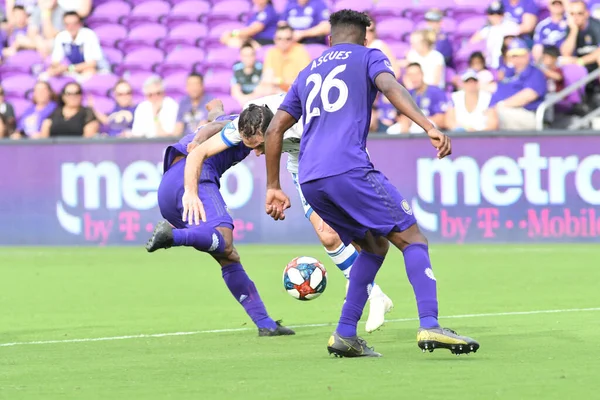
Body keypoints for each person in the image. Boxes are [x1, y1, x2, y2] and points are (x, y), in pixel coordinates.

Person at [263, 9, 479, 357]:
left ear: (330, 39)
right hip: (347, 168)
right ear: (365, 38)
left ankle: (345, 334)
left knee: (374, 247)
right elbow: (390, 85)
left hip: (311, 180)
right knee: (412, 238)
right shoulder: (369, 56)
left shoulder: (308, 70)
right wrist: (429, 126)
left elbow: (274, 129)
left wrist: (274, 185)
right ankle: (430, 324)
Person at [182, 94, 394, 334]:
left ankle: (361, 285)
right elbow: (198, 154)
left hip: (341, 155)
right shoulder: (246, 123)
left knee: (356, 233)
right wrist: (190, 192)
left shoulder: (305, 118)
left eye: (261, 147)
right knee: (329, 237)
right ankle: (374, 294)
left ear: (274, 131)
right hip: (302, 163)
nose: (258, 154)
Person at [144, 110, 295, 338]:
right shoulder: (241, 125)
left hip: (168, 187)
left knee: (228, 256)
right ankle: (173, 236)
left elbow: (216, 117)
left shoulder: (244, 118)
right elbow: (214, 127)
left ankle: (265, 323)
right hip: (194, 177)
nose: (256, 152)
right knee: (224, 241)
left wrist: (215, 108)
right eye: (254, 145)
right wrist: (197, 141)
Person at [488, 38, 547, 130]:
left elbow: (527, 96)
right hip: (503, 111)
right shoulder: (509, 73)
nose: (517, 59)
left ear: (527, 55)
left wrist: (500, 105)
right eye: (514, 56)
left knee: (494, 114)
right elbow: (494, 88)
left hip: (527, 113)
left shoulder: (535, 73)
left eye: (520, 55)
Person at [389, 63, 448, 134]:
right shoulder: (408, 93)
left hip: (431, 126)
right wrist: (405, 123)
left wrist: (421, 122)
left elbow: (442, 119)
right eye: (410, 75)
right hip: (413, 124)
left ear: (422, 74)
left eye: (417, 74)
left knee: (417, 129)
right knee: (392, 131)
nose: (414, 78)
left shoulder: (435, 91)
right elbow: (402, 116)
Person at [560, 0, 600, 100]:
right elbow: (565, 53)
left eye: (579, 13)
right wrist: (574, 31)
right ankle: (576, 104)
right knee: (568, 66)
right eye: (572, 14)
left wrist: (579, 61)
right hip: (581, 66)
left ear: (587, 13)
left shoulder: (596, 26)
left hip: (594, 64)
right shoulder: (570, 27)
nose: (576, 17)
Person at [44, 11, 103, 79]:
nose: (71, 27)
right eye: (67, 24)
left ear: (80, 24)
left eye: (74, 24)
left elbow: (91, 64)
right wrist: (55, 68)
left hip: (90, 70)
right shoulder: (61, 36)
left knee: (89, 72)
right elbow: (56, 60)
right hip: (70, 69)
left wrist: (68, 68)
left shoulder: (89, 35)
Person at [260, 26, 311, 93]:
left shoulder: (300, 51)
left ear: (293, 39)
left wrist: (280, 81)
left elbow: (303, 79)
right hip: (276, 90)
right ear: (274, 39)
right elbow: (267, 77)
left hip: (294, 90)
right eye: (279, 38)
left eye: (287, 39)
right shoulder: (272, 52)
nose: (283, 42)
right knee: (264, 88)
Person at [471, 1, 520, 69]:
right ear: (488, 15)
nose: (495, 16)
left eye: (498, 13)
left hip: (508, 64)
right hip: (491, 65)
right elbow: (473, 42)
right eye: (492, 13)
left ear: (503, 14)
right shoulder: (487, 29)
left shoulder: (511, 26)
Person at [231, 42, 264, 107]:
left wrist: (249, 99)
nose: (248, 58)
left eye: (251, 55)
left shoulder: (260, 68)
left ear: (255, 56)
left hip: (256, 98)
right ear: (240, 56)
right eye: (245, 55)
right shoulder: (236, 68)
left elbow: (261, 88)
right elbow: (234, 89)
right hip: (242, 99)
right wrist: (242, 99)